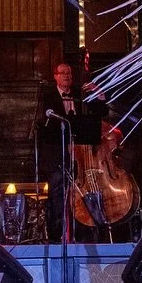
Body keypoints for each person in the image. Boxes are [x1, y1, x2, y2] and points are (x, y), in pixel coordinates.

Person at [37, 62, 108, 241]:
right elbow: (43, 125)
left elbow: (101, 113)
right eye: (62, 73)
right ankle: (57, 236)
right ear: (55, 76)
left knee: (83, 193)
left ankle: (87, 233)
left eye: (69, 72)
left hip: (82, 156)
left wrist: (98, 94)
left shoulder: (80, 94)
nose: (67, 76)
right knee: (58, 196)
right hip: (58, 155)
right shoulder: (47, 96)